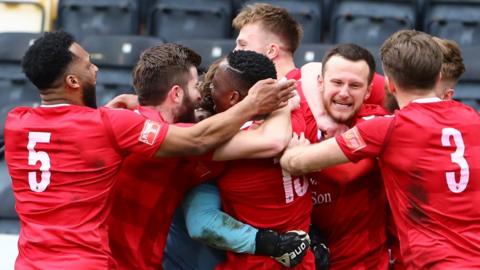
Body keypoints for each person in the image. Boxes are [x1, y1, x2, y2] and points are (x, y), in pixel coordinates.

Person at [3, 31, 294, 269]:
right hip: (88, 263)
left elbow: (75, 129)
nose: (96, 68)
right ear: (72, 81)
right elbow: (214, 140)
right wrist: (260, 104)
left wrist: (132, 106)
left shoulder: (17, 122)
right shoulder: (111, 125)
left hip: (29, 261)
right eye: (88, 64)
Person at [280, 30, 480, 269]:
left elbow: (297, 162)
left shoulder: (387, 129)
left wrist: (291, 147)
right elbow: (313, 68)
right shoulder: (472, 117)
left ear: (388, 84)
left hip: (433, 261)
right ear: (439, 77)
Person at [108, 43, 308, 270]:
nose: (202, 92)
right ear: (176, 93)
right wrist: (278, 104)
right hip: (107, 260)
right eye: (197, 86)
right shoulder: (181, 139)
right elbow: (272, 140)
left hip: (133, 259)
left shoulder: (124, 119)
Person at [185, 50, 315, 270]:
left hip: (256, 263)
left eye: (215, 86)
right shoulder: (296, 115)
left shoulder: (227, 143)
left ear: (234, 97)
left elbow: (200, 223)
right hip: (303, 260)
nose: (208, 92)